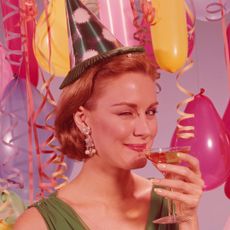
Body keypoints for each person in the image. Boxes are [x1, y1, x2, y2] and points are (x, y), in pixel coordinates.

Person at [14, 1, 204, 229]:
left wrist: (188, 219)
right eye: (125, 113)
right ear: (83, 119)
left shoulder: (170, 204)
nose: (144, 130)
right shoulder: (38, 224)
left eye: (150, 111)